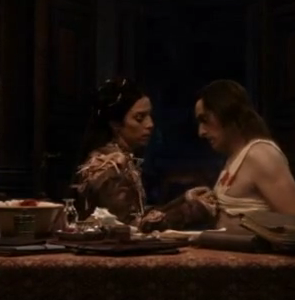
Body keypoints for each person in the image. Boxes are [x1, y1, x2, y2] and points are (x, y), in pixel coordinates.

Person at [72, 78, 215, 231]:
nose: (150, 124)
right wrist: (192, 211)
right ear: (115, 124)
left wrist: (184, 200)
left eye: (149, 116)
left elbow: (139, 215)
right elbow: (130, 228)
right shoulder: (109, 167)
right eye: (139, 118)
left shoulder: (123, 160)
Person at [195, 79, 295, 228]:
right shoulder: (235, 157)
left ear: (226, 112)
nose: (201, 132)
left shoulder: (261, 155)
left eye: (205, 120)